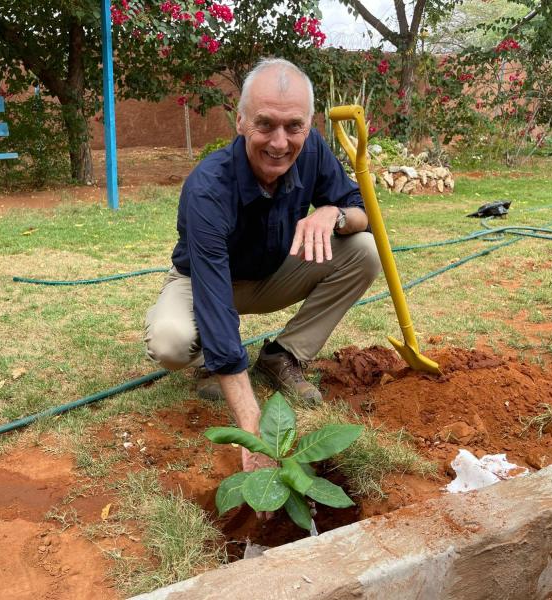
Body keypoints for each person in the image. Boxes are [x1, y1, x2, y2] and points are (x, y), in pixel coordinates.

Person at [144, 58, 381, 477]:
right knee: (171, 341)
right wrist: (254, 433)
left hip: (274, 271)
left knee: (363, 249)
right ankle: (209, 364)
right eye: (265, 124)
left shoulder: (312, 151)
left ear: (309, 125)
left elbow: (361, 211)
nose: (279, 142)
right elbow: (216, 305)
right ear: (240, 122)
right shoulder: (207, 189)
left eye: (294, 126)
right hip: (205, 282)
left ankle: (281, 355)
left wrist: (333, 215)